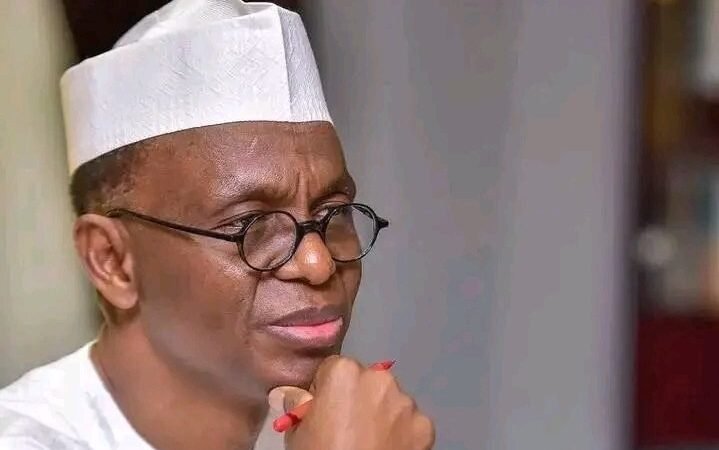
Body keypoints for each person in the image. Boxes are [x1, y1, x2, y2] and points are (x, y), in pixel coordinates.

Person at [0, 1, 435, 449]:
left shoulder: (330, 425)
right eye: (251, 224)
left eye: (333, 213)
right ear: (112, 260)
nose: (317, 262)